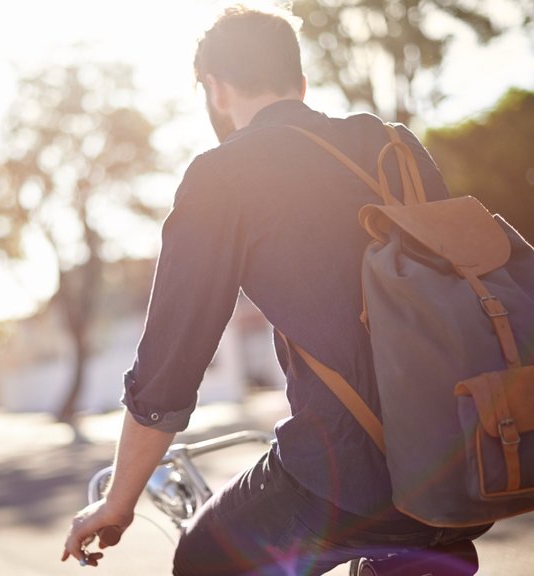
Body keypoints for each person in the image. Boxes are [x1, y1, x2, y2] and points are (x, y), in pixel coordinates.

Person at [61, 5, 490, 574]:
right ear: (302, 83)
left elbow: (167, 369)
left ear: (215, 89)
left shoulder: (221, 176)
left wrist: (118, 504)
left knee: (204, 558)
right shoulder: (393, 146)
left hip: (351, 479)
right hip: (469, 457)